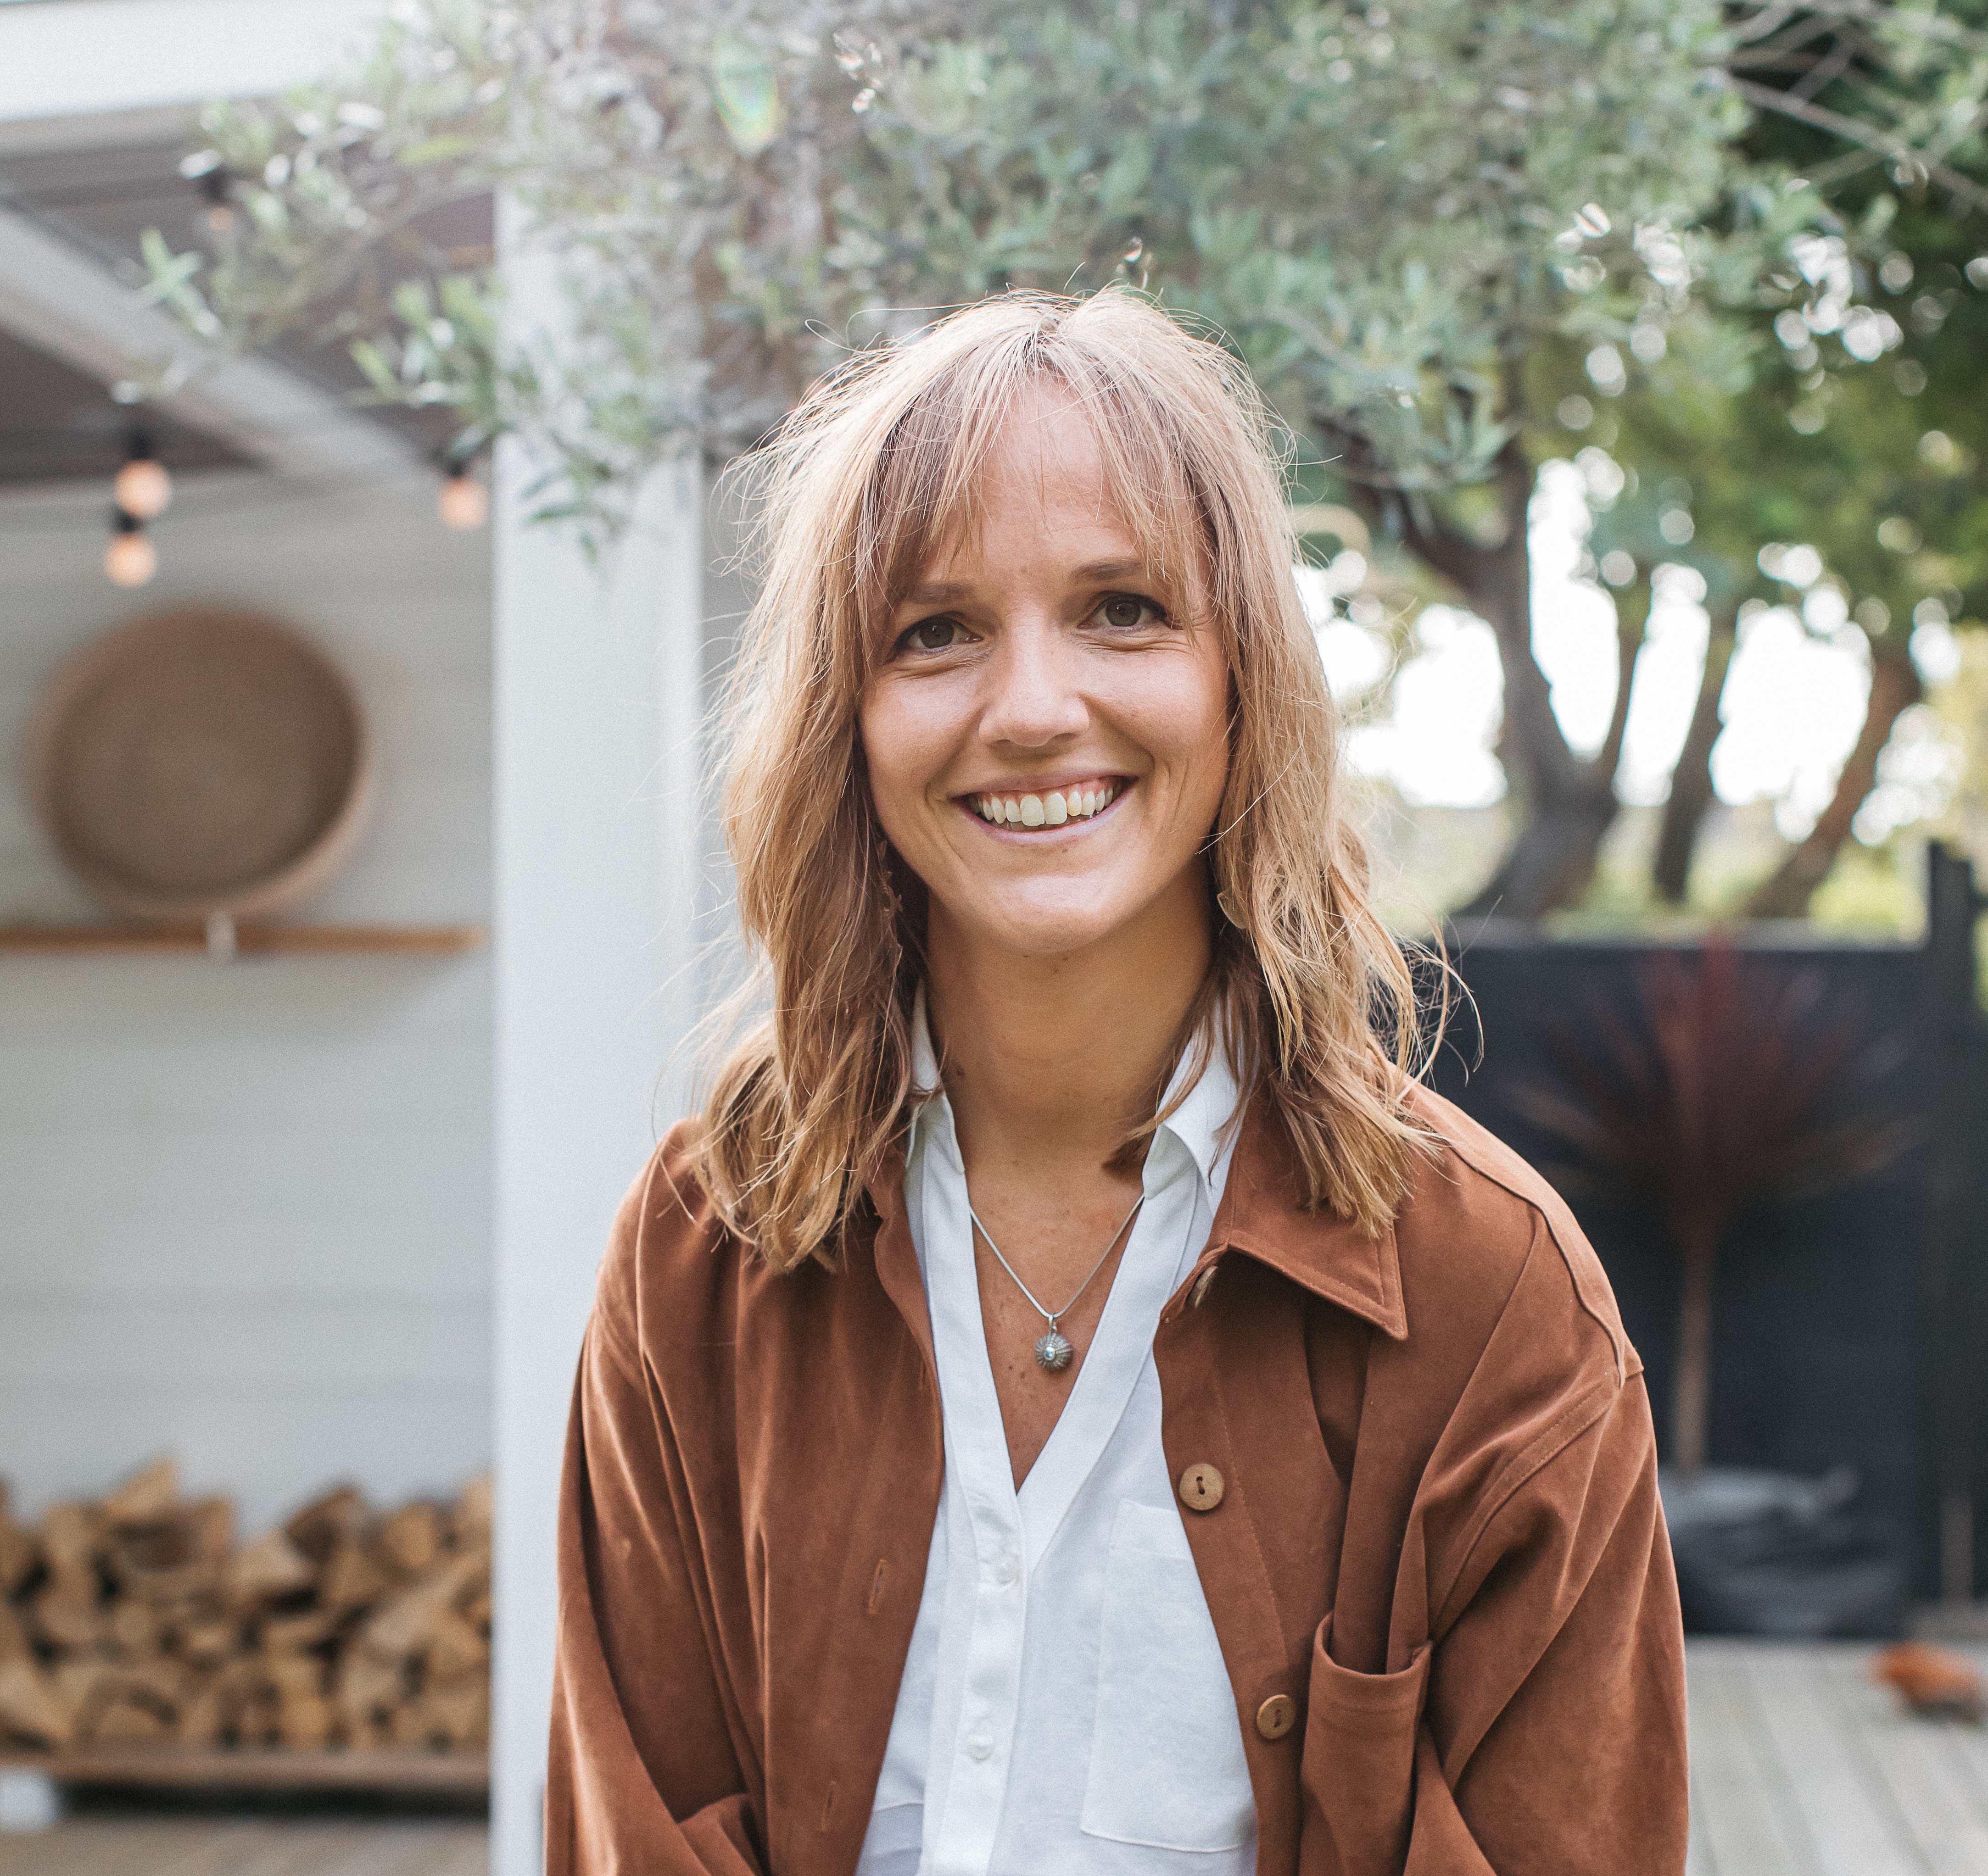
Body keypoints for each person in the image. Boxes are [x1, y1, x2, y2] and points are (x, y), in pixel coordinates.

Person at [546, 289, 1687, 1876]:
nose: (1028, 709)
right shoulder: (696, 1257)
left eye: (1123, 609)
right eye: (933, 630)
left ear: (1242, 684)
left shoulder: (1492, 1300)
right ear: (847, 720)